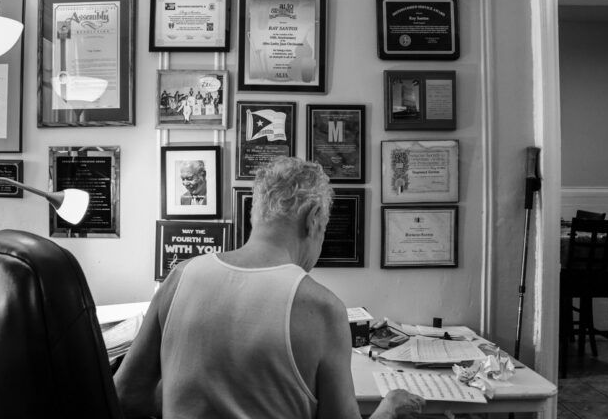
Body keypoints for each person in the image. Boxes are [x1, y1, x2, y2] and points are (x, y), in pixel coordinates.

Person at [115, 157, 425, 419]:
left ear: (256, 214)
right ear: (313, 219)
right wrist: (389, 409)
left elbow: (124, 394)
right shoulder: (321, 308)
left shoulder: (181, 276)